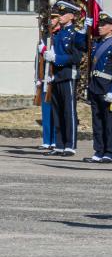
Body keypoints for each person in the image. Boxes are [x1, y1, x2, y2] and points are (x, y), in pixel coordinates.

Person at [39, 1, 88, 157]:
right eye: (59, 14)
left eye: (62, 14)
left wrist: (56, 58)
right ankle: (59, 145)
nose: (59, 17)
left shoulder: (75, 34)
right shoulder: (58, 34)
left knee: (68, 111)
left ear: (72, 16)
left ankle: (70, 145)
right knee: (57, 112)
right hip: (55, 76)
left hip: (68, 76)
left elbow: (76, 57)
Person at [83, 12, 112, 164]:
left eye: (103, 24)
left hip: (107, 89)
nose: (100, 27)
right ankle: (98, 150)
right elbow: (81, 46)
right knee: (97, 121)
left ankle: (109, 152)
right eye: (99, 24)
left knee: (109, 122)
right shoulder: (96, 44)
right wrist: (83, 29)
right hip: (95, 87)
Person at [36, 10, 60, 151]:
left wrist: (44, 49)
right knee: (46, 111)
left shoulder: (60, 36)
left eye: (55, 17)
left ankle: (56, 140)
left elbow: (57, 55)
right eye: (50, 18)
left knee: (56, 112)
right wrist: (38, 78)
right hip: (44, 78)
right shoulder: (45, 37)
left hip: (56, 78)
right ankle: (46, 140)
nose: (52, 20)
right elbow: (38, 61)